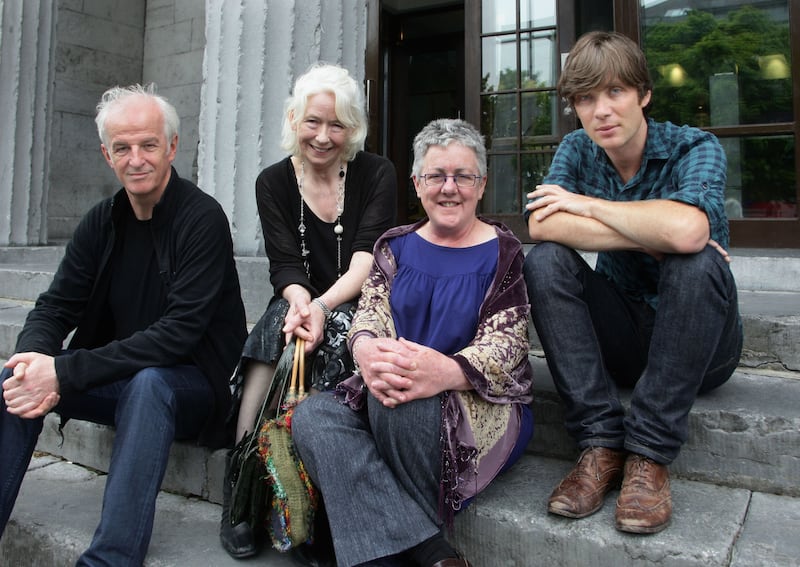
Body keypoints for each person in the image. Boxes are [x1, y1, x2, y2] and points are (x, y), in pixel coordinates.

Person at [0, 84, 247, 564]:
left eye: (148, 145)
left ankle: (109, 560)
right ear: (106, 154)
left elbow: (178, 334)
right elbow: (55, 306)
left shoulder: (202, 219)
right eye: (122, 148)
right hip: (121, 379)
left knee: (150, 384)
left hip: (196, 386)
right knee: (14, 378)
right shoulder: (101, 221)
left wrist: (67, 372)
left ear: (171, 146)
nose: (136, 159)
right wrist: (34, 359)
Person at [523, 31, 743, 534]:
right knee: (546, 261)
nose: (602, 110)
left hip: (704, 346)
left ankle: (647, 453)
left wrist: (588, 206)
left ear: (644, 93)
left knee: (696, 263)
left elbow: (689, 233)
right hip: (624, 334)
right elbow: (543, 225)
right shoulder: (578, 149)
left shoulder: (694, 146)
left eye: (616, 92)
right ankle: (599, 443)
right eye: (585, 98)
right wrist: (651, 236)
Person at [291, 118, 534, 567]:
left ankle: (375, 555)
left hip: (474, 401)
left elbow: (509, 343)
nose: (449, 188)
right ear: (417, 184)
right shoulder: (394, 246)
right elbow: (370, 313)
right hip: (393, 388)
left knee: (395, 400)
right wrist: (365, 351)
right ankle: (431, 551)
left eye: (462, 176)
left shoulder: (504, 251)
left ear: (481, 185)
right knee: (312, 417)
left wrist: (444, 371)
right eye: (435, 176)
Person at [220, 63, 397, 559]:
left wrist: (322, 304)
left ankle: (308, 502)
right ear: (295, 119)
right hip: (300, 297)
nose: (323, 136)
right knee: (279, 320)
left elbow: (368, 257)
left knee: (330, 333)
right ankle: (242, 479)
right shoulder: (272, 181)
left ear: (353, 129)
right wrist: (302, 303)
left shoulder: (376, 172)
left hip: (360, 302)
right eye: (313, 122)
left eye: (337, 124)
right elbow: (284, 264)